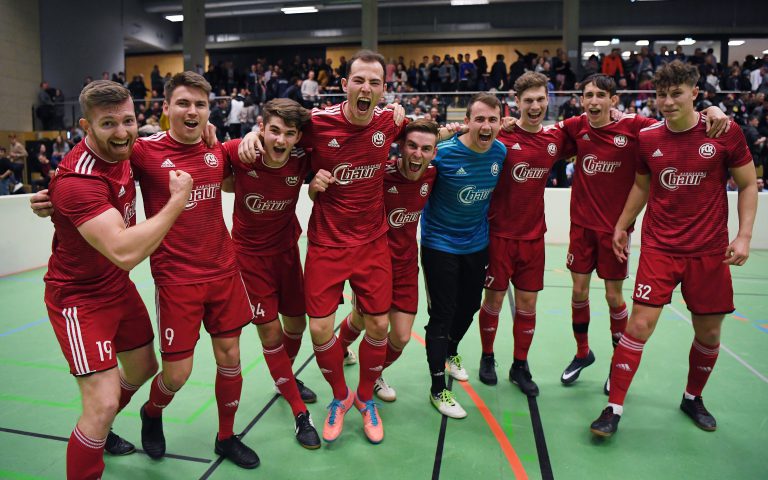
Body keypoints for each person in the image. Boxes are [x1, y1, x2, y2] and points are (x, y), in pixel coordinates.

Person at [240, 50, 406, 445]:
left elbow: (428, 133)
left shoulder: (389, 120)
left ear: (384, 90)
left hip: (372, 242)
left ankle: (365, 399)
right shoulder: (316, 124)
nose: (366, 89)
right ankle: (338, 397)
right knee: (318, 328)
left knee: (379, 324)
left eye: (375, 83)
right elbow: (278, 130)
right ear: (345, 85)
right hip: (327, 242)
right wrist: (251, 133)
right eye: (359, 81)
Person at [590, 60, 757, 437]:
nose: (667, 102)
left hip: (709, 252)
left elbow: (748, 184)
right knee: (639, 326)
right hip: (660, 248)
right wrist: (622, 224)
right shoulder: (649, 139)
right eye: (662, 95)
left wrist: (744, 235)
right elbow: (641, 186)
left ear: (695, 94)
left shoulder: (723, 132)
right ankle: (613, 407)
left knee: (710, 335)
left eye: (676, 94)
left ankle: (692, 397)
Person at [41, 80, 192, 479]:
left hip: (117, 287)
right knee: (102, 403)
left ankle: (100, 429)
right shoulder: (79, 182)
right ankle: (97, 429)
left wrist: (206, 130)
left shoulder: (126, 149)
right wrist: (178, 202)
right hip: (78, 298)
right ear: (85, 126)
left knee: (143, 367)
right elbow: (125, 250)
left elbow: (172, 136)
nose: (122, 132)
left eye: (127, 120)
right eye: (108, 124)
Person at [557, 74, 728, 395]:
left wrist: (712, 110)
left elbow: (677, 117)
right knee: (578, 292)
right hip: (580, 228)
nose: (593, 101)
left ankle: (615, 364)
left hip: (614, 231)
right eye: (587, 95)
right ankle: (583, 353)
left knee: (612, 297)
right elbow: (538, 132)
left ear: (613, 99)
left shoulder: (636, 127)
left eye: (600, 95)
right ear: (581, 99)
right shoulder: (576, 126)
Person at [221, 98, 321, 449]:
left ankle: (285, 379)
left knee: (297, 325)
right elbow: (206, 159)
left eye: (289, 134)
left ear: (297, 137)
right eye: (273, 130)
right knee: (271, 334)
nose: (280, 140)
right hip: (248, 259)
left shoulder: (302, 156)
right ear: (261, 127)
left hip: (288, 252)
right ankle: (299, 414)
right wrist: (243, 138)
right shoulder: (239, 152)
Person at [476, 72, 575, 394]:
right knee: (493, 300)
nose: (535, 106)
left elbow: (594, 127)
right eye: (528, 100)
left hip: (534, 238)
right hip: (498, 236)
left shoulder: (556, 139)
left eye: (540, 99)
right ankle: (487, 356)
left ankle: (520, 365)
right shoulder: (500, 137)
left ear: (548, 100)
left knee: (528, 305)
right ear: (516, 103)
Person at [335, 119, 439, 402]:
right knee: (361, 320)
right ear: (401, 147)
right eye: (412, 146)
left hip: (406, 265)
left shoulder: (432, 175)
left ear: (433, 153)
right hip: (373, 264)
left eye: (426, 149)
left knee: (402, 336)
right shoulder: (381, 175)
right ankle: (337, 353)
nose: (418, 154)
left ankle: (375, 372)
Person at [420, 92, 506, 418]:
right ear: (467, 121)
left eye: (492, 120)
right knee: (441, 314)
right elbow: (408, 162)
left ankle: (451, 351)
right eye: (479, 119)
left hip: (477, 243)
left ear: (500, 123)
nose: (485, 125)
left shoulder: (500, 153)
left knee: (470, 305)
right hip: (439, 244)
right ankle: (437, 389)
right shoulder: (442, 154)